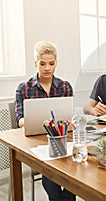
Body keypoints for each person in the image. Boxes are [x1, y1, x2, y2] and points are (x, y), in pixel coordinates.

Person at [15, 41, 75, 201]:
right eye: (42, 64)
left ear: (56, 63)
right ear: (35, 63)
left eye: (51, 63)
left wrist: (70, 122)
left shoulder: (65, 86)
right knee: (50, 165)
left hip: (63, 140)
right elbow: (20, 120)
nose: (47, 68)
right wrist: (41, 122)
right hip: (37, 144)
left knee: (76, 165)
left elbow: (71, 116)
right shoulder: (24, 88)